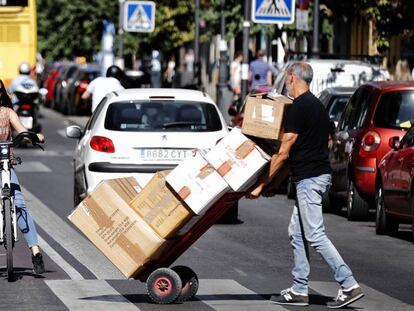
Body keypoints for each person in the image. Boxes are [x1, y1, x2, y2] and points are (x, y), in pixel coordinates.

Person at [247, 61, 364, 309]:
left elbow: (283, 152)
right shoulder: (318, 107)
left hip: (310, 180)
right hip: (312, 176)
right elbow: (298, 154)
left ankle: (348, 284)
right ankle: (300, 289)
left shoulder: (300, 108)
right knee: (297, 232)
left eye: (287, 78)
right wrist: (273, 185)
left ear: (291, 78)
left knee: (314, 234)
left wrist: (260, 184)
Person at [0, 79, 45, 275]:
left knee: (19, 204)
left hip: (5, 165)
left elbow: (22, 130)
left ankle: (35, 252)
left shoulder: (8, 113)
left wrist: (34, 136)